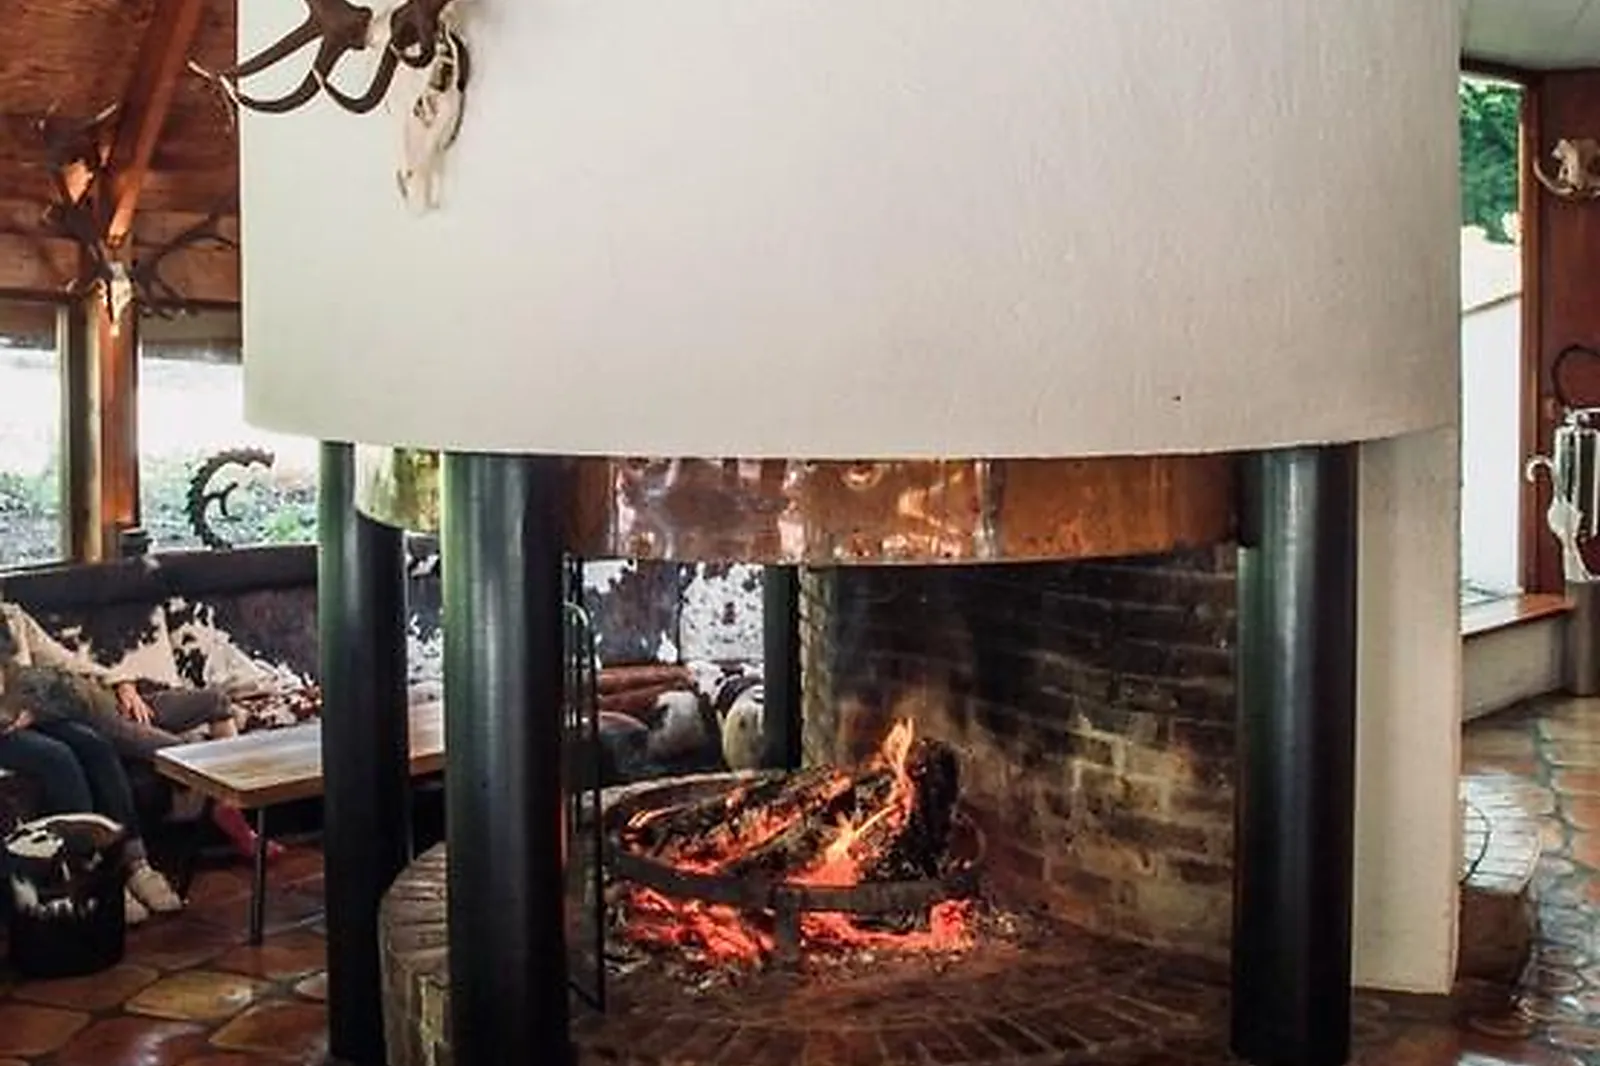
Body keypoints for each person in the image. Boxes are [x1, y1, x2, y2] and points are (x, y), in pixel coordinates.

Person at [0, 600, 279, 864]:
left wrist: (122, 682)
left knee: (216, 700)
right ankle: (228, 816)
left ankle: (227, 806)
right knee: (185, 755)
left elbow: (67, 662)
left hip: (110, 698)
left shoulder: (14, 617)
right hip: (94, 719)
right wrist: (26, 711)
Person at [0, 680, 182, 925]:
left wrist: (28, 706)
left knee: (95, 745)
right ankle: (90, 872)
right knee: (58, 758)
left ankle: (135, 863)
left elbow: (30, 669)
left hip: (19, 711)